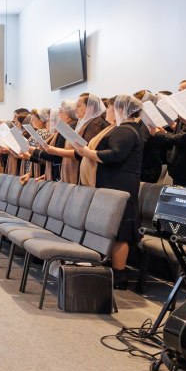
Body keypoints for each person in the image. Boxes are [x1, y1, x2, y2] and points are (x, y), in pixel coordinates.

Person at [71, 95, 145, 290]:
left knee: (120, 232)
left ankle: (119, 276)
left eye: (110, 108)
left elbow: (115, 154)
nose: (107, 112)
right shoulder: (121, 128)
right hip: (112, 184)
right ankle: (109, 269)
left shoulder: (125, 130)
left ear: (121, 109)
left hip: (119, 186)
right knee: (111, 229)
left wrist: (88, 153)